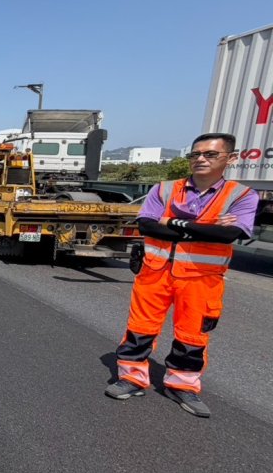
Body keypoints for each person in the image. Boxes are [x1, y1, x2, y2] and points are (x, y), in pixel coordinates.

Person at [105, 133, 260, 417]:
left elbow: (229, 234)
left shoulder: (242, 195)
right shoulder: (164, 189)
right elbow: (148, 227)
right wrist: (206, 226)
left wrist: (172, 221)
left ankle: (182, 385)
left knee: (193, 336)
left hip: (202, 278)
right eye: (195, 154)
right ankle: (131, 378)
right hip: (155, 273)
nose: (200, 159)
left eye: (210, 154)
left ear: (231, 158)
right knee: (139, 328)